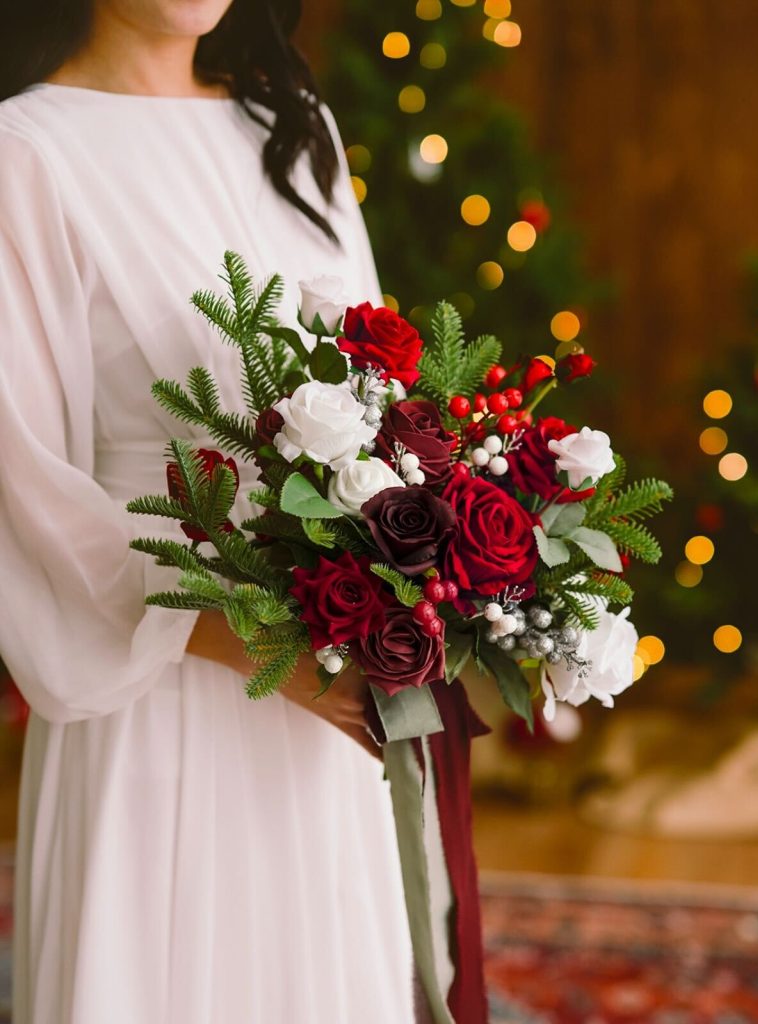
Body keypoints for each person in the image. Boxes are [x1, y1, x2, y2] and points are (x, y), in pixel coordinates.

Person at [0, 1, 416, 1021]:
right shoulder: (24, 151)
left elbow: (380, 396)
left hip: (326, 693)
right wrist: (246, 639)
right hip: (154, 690)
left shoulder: (292, 128)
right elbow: (23, 480)